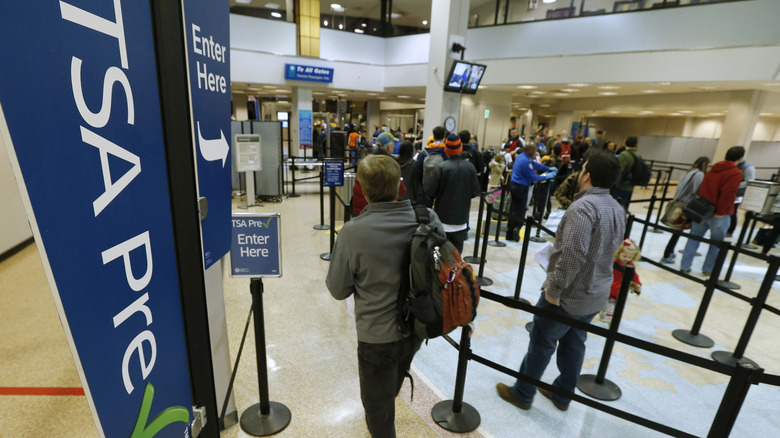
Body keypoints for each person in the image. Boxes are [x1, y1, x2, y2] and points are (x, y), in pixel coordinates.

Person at [496, 150, 626, 412]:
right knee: (575, 343)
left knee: (542, 342)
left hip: (567, 296)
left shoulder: (583, 208)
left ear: (587, 176)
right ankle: (562, 395)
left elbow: (572, 255)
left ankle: (523, 393)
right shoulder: (617, 208)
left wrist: (554, 290)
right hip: (595, 293)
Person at [326, 154, 444, 438]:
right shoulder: (428, 218)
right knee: (394, 379)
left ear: (363, 191)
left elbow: (337, 289)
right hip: (416, 327)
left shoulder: (352, 233)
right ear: (399, 186)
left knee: (377, 407)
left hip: (376, 338)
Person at [680, 146, 745, 275]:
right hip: (718, 213)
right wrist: (721, 212)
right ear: (740, 158)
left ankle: (685, 266)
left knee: (693, 238)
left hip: (702, 209)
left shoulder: (713, 169)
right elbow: (728, 193)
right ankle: (708, 269)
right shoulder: (735, 173)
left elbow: (704, 188)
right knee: (716, 244)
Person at [423, 134, 480, 253]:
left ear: (446, 149)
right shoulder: (470, 167)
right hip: (462, 220)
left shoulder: (442, 167)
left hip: (443, 220)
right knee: (456, 256)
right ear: (460, 149)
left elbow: (430, 192)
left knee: (441, 255)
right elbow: (475, 192)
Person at [660, 156, 711, 264]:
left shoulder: (688, 172)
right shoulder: (699, 174)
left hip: (678, 202)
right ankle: (667, 254)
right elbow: (696, 191)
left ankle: (670, 251)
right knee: (678, 230)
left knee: (677, 230)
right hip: (686, 205)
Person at [505, 145, 556, 242]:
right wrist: (547, 176)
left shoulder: (521, 156)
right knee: (520, 210)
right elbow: (534, 177)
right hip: (521, 187)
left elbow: (534, 164)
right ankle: (516, 229)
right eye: (535, 153)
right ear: (531, 153)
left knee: (513, 209)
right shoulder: (526, 162)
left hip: (514, 185)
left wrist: (547, 168)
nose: (536, 154)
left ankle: (509, 232)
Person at [352, 133, 406, 216]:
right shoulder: (388, 164)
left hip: (360, 210)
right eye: (393, 144)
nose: (394, 146)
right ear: (388, 147)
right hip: (377, 212)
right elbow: (401, 190)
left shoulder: (366, 162)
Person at [601, 238, 642, 324]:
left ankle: (606, 315)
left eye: (630, 257)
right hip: (609, 290)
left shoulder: (630, 265)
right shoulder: (614, 263)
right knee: (609, 309)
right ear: (619, 253)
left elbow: (634, 276)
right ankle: (610, 325)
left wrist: (638, 285)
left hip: (620, 292)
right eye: (624, 256)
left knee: (615, 308)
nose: (627, 259)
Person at [412, 126, 447, 207]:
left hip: (427, 186)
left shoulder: (424, 153)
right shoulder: (446, 153)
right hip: (441, 188)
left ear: (433, 137)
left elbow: (418, 171)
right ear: (444, 137)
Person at [611, 136, 642, 210]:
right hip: (630, 185)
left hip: (620, 185)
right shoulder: (637, 155)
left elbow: (619, 170)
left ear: (626, 143)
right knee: (624, 207)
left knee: (614, 206)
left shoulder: (624, 154)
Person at [727, 159, 755, 237]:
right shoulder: (735, 166)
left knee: (733, 211)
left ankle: (730, 231)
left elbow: (749, 181)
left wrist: (734, 185)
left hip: (738, 193)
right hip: (731, 192)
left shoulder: (748, 168)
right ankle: (727, 229)